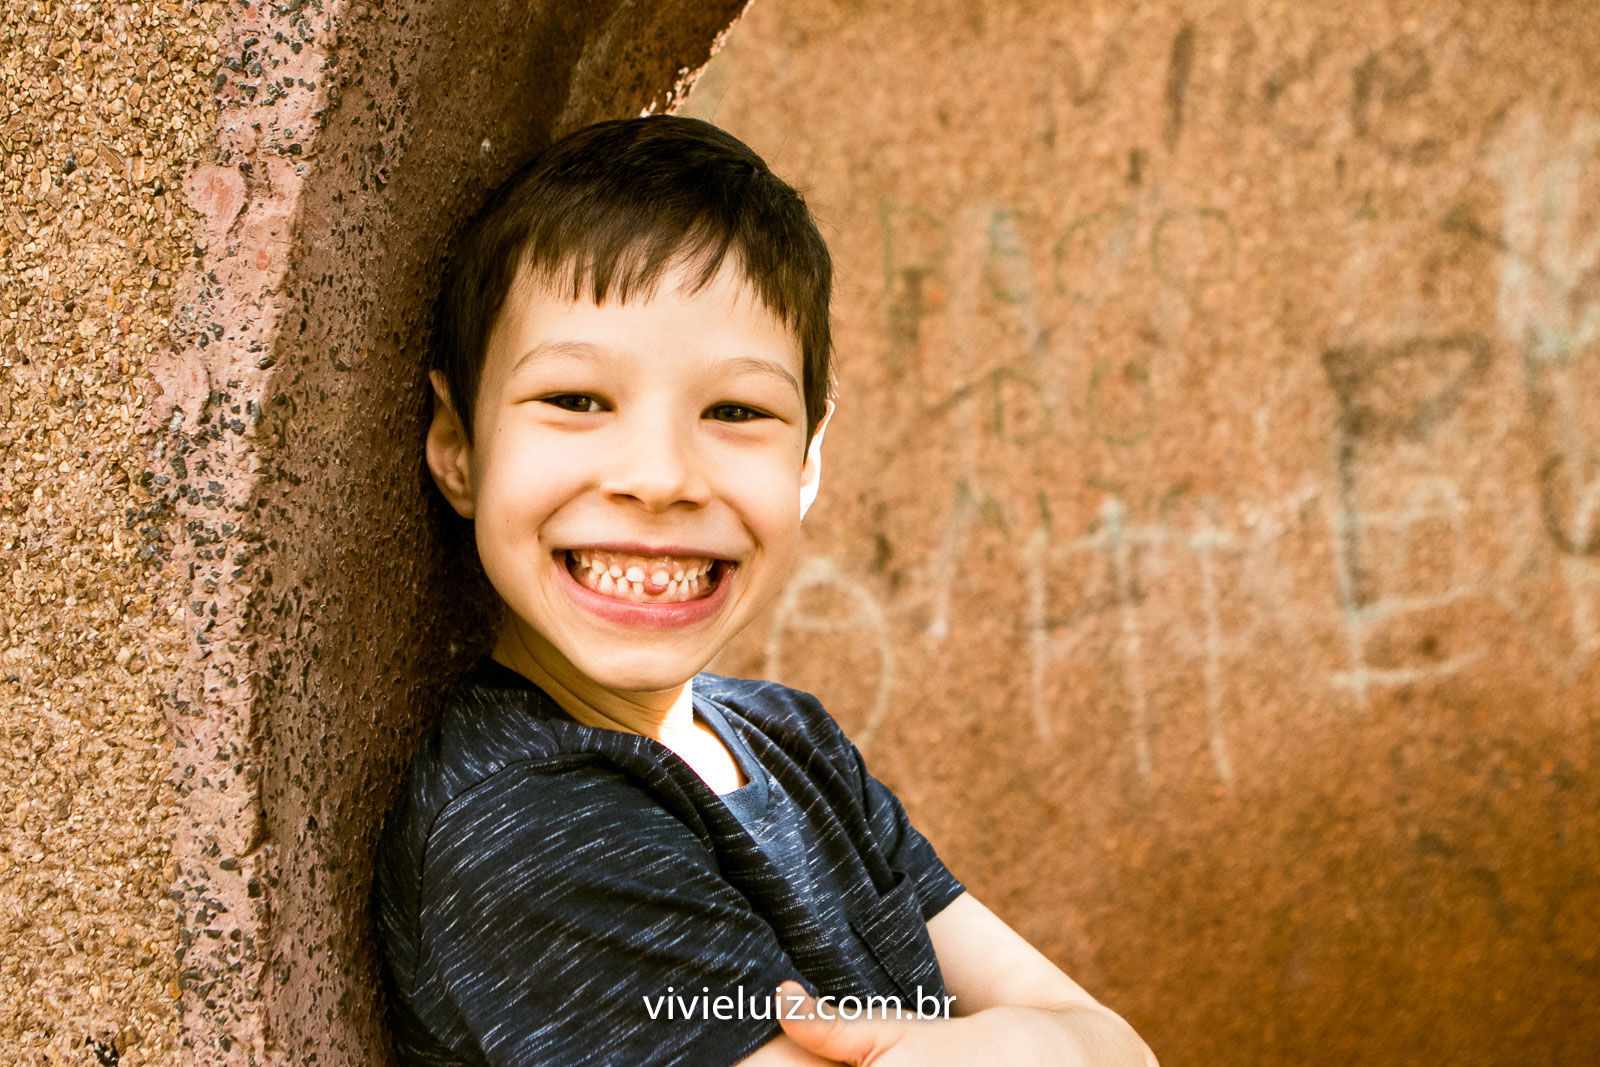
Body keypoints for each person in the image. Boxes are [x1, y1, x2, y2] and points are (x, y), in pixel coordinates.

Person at [373, 115, 1157, 1067]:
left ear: (808, 459)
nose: (660, 477)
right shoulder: (525, 831)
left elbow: (1119, 1043)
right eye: (576, 400)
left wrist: (1042, 1046)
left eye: (736, 411)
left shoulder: (795, 744)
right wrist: (1027, 1045)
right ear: (457, 444)